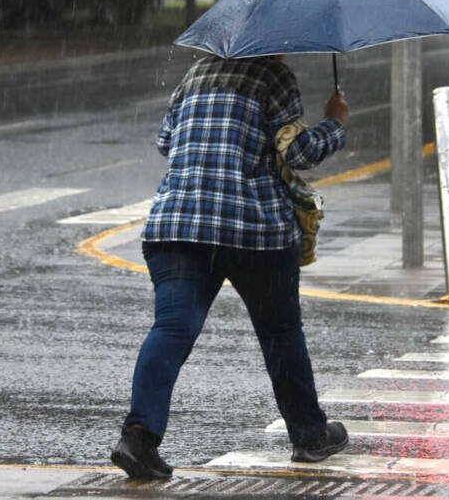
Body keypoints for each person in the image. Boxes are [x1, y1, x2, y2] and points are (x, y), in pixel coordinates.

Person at [111, 54, 351, 480]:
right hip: (251, 229)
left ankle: (138, 437)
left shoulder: (195, 73)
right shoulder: (273, 76)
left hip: (178, 224)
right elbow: (298, 151)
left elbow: (167, 140)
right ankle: (310, 437)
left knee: (172, 328)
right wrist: (335, 123)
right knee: (280, 331)